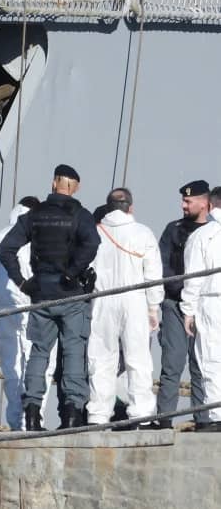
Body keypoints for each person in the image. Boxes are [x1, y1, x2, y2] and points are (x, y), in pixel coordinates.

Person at [0, 164, 100, 430]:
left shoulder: (34, 215)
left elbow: (6, 248)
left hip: (41, 294)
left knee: (39, 353)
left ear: (55, 182)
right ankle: (71, 416)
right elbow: (92, 244)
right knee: (74, 353)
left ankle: (32, 415)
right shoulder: (80, 214)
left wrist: (22, 282)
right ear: (73, 186)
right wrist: (73, 271)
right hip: (71, 295)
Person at [86, 188, 163, 429]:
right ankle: (141, 413)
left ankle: (98, 414)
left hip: (104, 299)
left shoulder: (96, 232)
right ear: (130, 207)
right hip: (135, 299)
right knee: (138, 359)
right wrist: (154, 307)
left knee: (101, 358)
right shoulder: (143, 233)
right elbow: (153, 274)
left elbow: (87, 268)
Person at [0, 196, 57, 430]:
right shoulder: (33, 236)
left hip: (4, 311)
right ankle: (34, 420)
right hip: (31, 308)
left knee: (12, 370)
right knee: (40, 367)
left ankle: (17, 421)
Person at [156, 180, 211, 429]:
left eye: (188, 201)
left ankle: (204, 419)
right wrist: (181, 291)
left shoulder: (214, 233)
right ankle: (164, 419)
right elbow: (163, 266)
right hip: (175, 306)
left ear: (204, 202)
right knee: (172, 365)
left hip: (206, 308)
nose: (183, 205)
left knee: (202, 366)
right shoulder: (173, 229)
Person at [181, 186, 221, 432]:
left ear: (211, 205)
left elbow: (193, 278)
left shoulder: (203, 235)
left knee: (211, 359)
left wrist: (188, 310)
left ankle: (217, 414)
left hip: (211, 301)